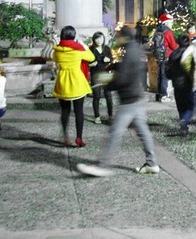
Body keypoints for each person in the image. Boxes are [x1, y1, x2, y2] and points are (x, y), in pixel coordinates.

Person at [76, 27, 159, 177]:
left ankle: (103, 165)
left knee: (115, 132)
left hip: (129, 99)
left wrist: (107, 83)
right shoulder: (135, 49)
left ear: (123, 38)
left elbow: (123, 78)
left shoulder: (129, 52)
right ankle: (152, 163)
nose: (117, 40)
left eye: (119, 37)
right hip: (136, 96)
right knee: (143, 132)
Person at [52, 25, 95, 148]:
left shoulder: (57, 50)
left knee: (65, 111)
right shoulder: (78, 50)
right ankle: (79, 138)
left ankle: (65, 136)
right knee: (79, 111)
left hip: (63, 82)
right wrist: (84, 45)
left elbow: (55, 61)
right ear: (74, 36)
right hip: (77, 82)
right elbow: (91, 58)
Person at [167, 34, 195, 137]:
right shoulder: (190, 54)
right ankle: (184, 121)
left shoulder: (173, 54)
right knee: (191, 105)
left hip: (176, 83)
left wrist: (172, 77)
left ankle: (184, 128)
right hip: (188, 83)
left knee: (181, 106)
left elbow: (167, 70)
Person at [89, 31, 113, 124]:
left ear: (103, 39)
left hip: (106, 74)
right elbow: (86, 62)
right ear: (94, 39)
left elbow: (111, 60)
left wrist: (108, 60)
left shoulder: (106, 48)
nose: (99, 40)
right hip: (95, 75)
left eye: (101, 38)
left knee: (108, 96)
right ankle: (97, 116)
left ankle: (110, 115)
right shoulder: (91, 49)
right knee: (96, 96)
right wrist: (91, 64)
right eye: (97, 38)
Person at [153, 13, 178, 103]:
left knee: (159, 76)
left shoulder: (157, 30)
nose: (172, 23)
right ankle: (164, 95)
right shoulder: (168, 32)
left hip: (158, 56)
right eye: (171, 22)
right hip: (166, 56)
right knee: (164, 76)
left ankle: (159, 94)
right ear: (167, 22)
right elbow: (173, 46)